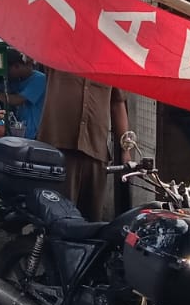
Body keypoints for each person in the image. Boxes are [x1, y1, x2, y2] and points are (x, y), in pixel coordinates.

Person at [38, 68, 136, 221]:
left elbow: (117, 104)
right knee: (58, 217)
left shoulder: (109, 63)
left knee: (91, 220)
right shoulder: (58, 52)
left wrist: (126, 150)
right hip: (59, 149)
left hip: (95, 151)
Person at [2, 51, 47, 141]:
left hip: (35, 134)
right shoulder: (17, 80)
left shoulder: (39, 79)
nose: (7, 74)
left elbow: (16, 100)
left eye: (8, 70)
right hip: (22, 133)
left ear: (17, 66)